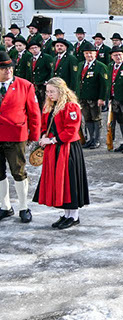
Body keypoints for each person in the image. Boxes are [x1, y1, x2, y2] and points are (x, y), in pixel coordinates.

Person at [33, 77, 89, 229]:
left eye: (52, 92)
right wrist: (43, 135)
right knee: (60, 182)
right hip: (55, 148)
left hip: (68, 149)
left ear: (61, 91)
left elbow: (71, 131)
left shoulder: (71, 106)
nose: (49, 95)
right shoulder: (50, 105)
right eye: (47, 92)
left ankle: (74, 216)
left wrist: (51, 140)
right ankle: (66, 214)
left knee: (70, 182)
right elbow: (45, 124)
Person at [0, 51, 41, 224]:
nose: (8, 70)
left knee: (18, 172)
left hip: (16, 135)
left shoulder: (25, 85)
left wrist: (35, 135)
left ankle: (24, 207)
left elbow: (34, 112)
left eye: (10, 67)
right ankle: (5, 206)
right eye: (3, 68)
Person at [77, 41, 109, 150]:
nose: (89, 55)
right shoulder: (81, 65)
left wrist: (102, 98)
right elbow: (78, 81)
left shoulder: (100, 66)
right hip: (83, 97)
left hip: (95, 98)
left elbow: (104, 85)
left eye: (91, 53)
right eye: (86, 53)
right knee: (87, 118)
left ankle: (96, 140)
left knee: (96, 118)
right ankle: (90, 139)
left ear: (95, 54)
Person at [27, 40, 53, 109]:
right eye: (32, 48)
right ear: (29, 50)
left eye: (36, 47)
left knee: (44, 103)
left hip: (43, 84)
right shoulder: (31, 59)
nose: (34, 50)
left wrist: (48, 81)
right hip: (35, 84)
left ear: (39, 48)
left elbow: (51, 70)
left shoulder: (46, 57)